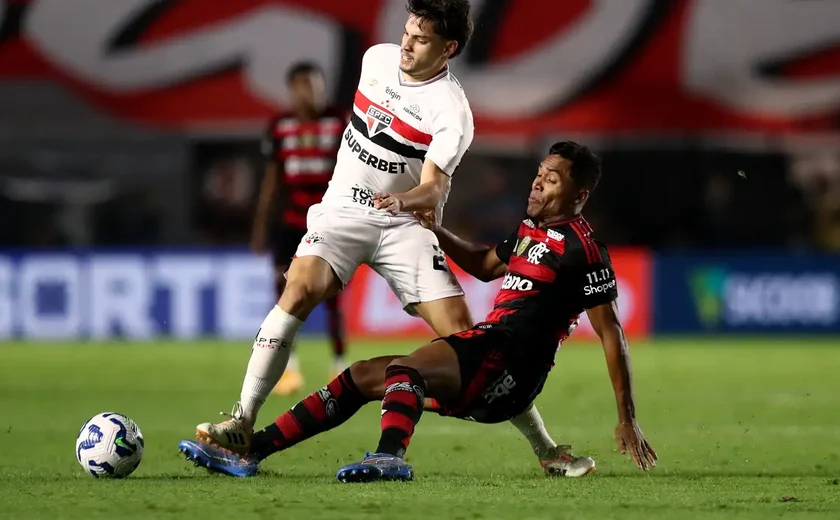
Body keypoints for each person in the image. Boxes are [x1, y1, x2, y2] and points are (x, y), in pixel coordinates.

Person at [194, 0, 563, 468]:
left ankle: (546, 449)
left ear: (448, 48)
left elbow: (433, 189)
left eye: (421, 39)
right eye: (407, 32)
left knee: (467, 340)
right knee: (299, 288)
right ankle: (242, 421)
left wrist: (403, 201)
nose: (407, 44)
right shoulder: (376, 60)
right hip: (344, 211)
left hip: (406, 224)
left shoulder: (451, 112)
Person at [179, 141, 658, 481]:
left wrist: (627, 417)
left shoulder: (583, 251)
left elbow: (611, 333)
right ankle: (252, 450)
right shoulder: (529, 230)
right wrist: (437, 231)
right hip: (491, 357)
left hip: (510, 360)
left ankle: (390, 457)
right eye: (539, 174)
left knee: (406, 370)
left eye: (551, 180)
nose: (537, 184)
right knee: (360, 376)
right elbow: (484, 265)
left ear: (579, 196)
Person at [252, 62, 348, 395]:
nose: (308, 92)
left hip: (328, 223)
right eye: (301, 86)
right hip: (290, 223)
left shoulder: (340, 123)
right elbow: (272, 180)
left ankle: (338, 364)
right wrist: (260, 225)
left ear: (323, 88)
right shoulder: (280, 127)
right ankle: (288, 368)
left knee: (332, 295)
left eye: (313, 85)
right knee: (285, 295)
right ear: (291, 90)